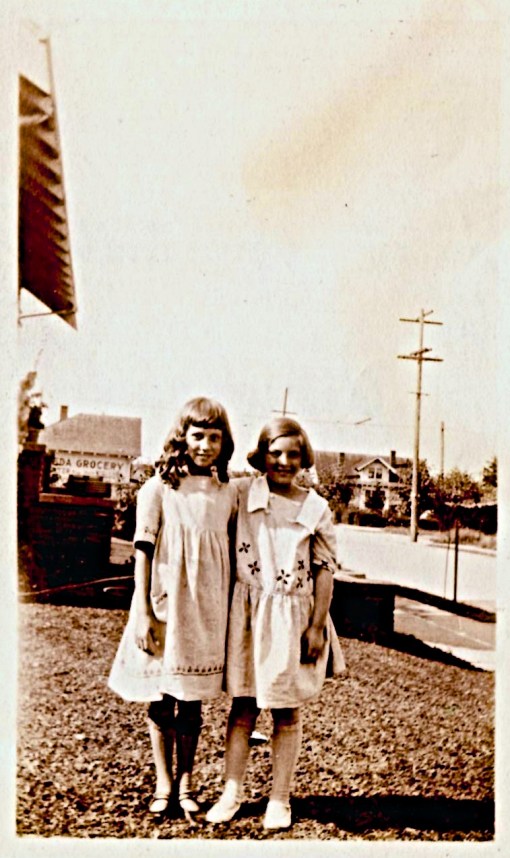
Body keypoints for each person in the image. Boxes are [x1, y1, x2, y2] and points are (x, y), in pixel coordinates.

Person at [206, 417, 345, 831]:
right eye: (275, 453)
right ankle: (231, 792)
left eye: (293, 455)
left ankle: (280, 798)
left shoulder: (316, 508)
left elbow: (324, 569)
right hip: (247, 615)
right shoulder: (243, 492)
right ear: (261, 455)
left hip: (292, 618)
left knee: (285, 709)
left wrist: (317, 626)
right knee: (243, 705)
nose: (284, 462)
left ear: (304, 459)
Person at [108, 397, 237, 820]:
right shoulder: (159, 488)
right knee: (161, 698)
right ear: (182, 437)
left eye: (214, 438)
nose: (205, 445)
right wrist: (142, 609)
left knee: (192, 700)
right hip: (165, 604)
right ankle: (163, 782)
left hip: (206, 609)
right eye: (197, 436)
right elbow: (143, 551)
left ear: (224, 442)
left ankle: (186, 782)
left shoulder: (227, 492)